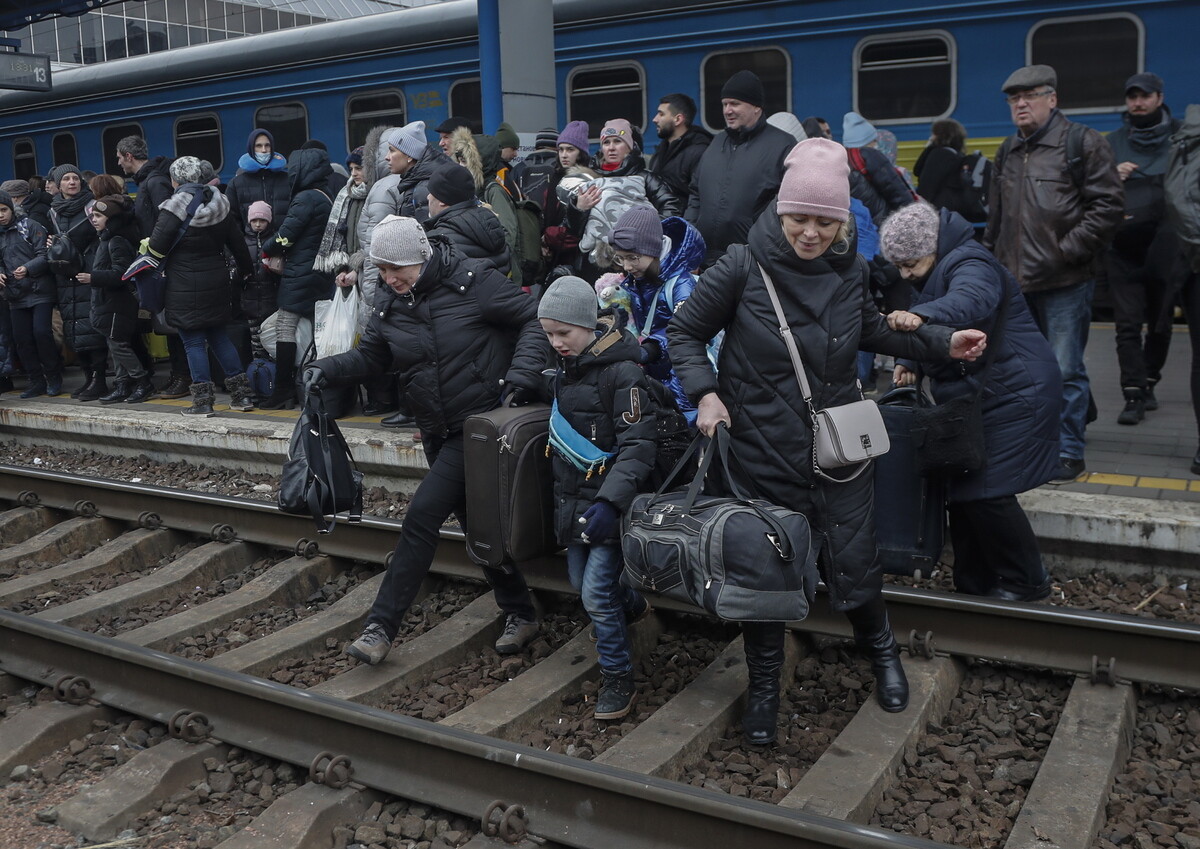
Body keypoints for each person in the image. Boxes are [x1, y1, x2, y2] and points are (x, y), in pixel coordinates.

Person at [667, 138, 988, 745]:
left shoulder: (850, 271)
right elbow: (682, 333)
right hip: (759, 450)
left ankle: (884, 657)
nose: (810, 233)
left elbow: (872, 330)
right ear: (780, 212)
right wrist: (705, 392)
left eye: (824, 221)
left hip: (837, 446)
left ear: (842, 221)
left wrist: (943, 342)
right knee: (765, 572)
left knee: (855, 558)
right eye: (799, 219)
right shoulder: (741, 266)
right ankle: (763, 688)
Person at [302, 216, 547, 665]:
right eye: (382, 268)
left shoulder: (473, 282)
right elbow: (374, 355)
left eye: (398, 268)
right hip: (436, 430)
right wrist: (329, 368)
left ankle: (380, 627)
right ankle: (520, 612)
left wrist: (521, 379)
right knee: (478, 526)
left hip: (478, 430)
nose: (390, 278)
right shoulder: (389, 299)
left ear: (421, 258)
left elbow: (533, 318)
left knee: (420, 519)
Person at [880, 203, 1061, 601]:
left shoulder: (971, 261)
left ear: (933, 247)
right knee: (964, 490)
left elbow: (970, 301)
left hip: (1016, 392)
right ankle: (974, 584)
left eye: (911, 264)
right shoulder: (940, 264)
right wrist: (910, 357)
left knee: (987, 490)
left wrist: (921, 316)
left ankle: (1026, 582)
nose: (905, 274)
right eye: (899, 266)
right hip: (984, 395)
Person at [984, 64, 1123, 484]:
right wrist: (990, 264)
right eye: (1014, 99)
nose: (1021, 104)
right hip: (1016, 280)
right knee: (1026, 369)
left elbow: (1108, 207)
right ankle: (1039, 437)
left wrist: (1066, 251)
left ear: (1053, 99)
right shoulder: (1007, 149)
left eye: (1030, 96)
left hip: (1065, 280)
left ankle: (1067, 449)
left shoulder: (1082, 143)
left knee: (1064, 368)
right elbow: (997, 217)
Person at [536, 276, 656, 720]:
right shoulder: (566, 373)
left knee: (595, 596)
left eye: (563, 333)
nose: (556, 343)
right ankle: (635, 606)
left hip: (608, 506)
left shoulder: (623, 373)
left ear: (589, 325)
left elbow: (639, 447)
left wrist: (609, 504)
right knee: (579, 583)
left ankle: (619, 678)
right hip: (575, 503)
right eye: (549, 335)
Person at [148, 156, 255, 417]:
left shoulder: (173, 207)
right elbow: (238, 245)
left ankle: (203, 402)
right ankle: (241, 397)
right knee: (219, 337)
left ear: (176, 180)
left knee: (193, 342)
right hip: (217, 281)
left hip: (183, 284)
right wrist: (246, 273)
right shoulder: (220, 203)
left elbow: (156, 247)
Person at [1104, 72, 1182, 425]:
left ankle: (1150, 380)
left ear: (1159, 97)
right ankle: (1133, 394)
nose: (1138, 103)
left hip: (1167, 247)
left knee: (1162, 323)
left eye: (1145, 96)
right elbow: (1091, 194)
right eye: (1132, 96)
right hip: (1123, 249)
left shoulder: (1182, 138)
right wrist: (1111, 177)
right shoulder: (1112, 142)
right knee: (1127, 326)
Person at [604, 205, 705, 421]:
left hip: (683, 386)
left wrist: (652, 348)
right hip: (655, 382)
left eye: (633, 257)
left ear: (654, 250)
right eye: (621, 259)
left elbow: (691, 337)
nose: (627, 266)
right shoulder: (638, 280)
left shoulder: (682, 286)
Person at [685, 70, 796, 267]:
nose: (728, 110)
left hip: (753, 260)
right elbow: (695, 191)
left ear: (757, 107)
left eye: (735, 104)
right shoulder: (717, 143)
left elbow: (788, 203)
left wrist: (763, 242)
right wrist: (691, 233)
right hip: (705, 259)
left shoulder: (782, 145)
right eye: (724, 104)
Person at [259, 147, 336, 409]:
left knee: (285, 328)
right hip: (320, 272)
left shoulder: (305, 199)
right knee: (318, 332)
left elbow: (286, 236)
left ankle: (283, 391)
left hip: (300, 274)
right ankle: (313, 386)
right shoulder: (326, 196)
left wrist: (267, 247)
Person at [116, 134, 190, 399]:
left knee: (171, 323)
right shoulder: (151, 180)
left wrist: (156, 255)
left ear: (129, 156)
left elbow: (165, 221)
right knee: (167, 322)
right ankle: (178, 374)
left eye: (119, 158)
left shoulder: (155, 182)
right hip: (159, 260)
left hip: (163, 261)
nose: (119, 164)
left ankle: (183, 376)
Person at [562, 118, 681, 277]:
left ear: (630, 147)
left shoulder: (644, 178)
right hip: (593, 266)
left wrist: (644, 232)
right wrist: (578, 208)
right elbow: (572, 230)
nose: (611, 148)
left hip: (636, 265)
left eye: (617, 141)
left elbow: (672, 208)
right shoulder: (589, 180)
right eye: (606, 142)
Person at [84, 194, 154, 404]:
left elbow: (122, 273)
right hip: (108, 302)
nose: (93, 219)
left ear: (111, 219)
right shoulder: (107, 239)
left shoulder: (116, 241)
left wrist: (93, 277)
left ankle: (142, 381)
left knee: (118, 345)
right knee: (115, 343)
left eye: (98, 215)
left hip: (117, 303)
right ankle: (122, 384)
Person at [47, 164, 101, 400]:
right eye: (66, 179)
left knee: (92, 329)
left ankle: (100, 380)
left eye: (75, 178)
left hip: (87, 273)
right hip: (66, 277)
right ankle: (87, 378)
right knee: (74, 330)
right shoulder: (54, 211)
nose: (72, 182)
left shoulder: (92, 206)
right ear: (58, 186)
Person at [0, 189, 56, 398]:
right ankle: (36, 380)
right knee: (22, 339)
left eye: (4, 210)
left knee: (41, 333)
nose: (1, 215)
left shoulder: (30, 226)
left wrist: (28, 268)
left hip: (39, 290)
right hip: (14, 295)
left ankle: (53, 376)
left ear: (11, 208)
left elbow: (45, 255)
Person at [451, 129, 524, 285]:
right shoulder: (471, 191)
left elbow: (508, 235)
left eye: (464, 161)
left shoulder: (494, 191)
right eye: (458, 160)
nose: (460, 166)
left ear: (480, 162)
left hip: (500, 277)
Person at [424, 161, 510, 274]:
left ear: (442, 200)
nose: (428, 197)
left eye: (431, 192)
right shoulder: (493, 225)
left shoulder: (441, 242)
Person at [842, 112, 915, 226]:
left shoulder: (844, 159)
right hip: (882, 220)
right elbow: (894, 189)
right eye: (874, 140)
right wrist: (913, 214)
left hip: (859, 222)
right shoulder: (872, 155)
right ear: (867, 140)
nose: (876, 143)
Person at [225, 128, 291, 240]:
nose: (264, 150)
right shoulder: (236, 184)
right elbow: (232, 220)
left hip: (284, 246)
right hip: (252, 249)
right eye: (259, 146)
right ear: (251, 149)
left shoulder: (287, 180)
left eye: (267, 145)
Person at [649, 93, 712, 209]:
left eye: (661, 114)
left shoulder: (699, 152)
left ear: (678, 119)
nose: (655, 119)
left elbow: (700, 198)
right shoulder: (660, 151)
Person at [913, 119, 970, 213]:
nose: (931, 137)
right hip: (954, 209)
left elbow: (926, 185)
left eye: (934, 134)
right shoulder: (957, 154)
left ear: (940, 136)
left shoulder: (939, 155)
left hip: (940, 210)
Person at [241, 201, 279, 327]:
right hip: (248, 300)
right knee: (253, 337)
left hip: (271, 298)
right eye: (254, 220)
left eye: (262, 221)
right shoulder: (243, 242)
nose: (258, 225)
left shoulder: (275, 241)